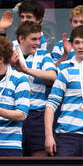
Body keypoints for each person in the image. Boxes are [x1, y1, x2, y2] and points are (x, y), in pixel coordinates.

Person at [11, 21, 57, 156]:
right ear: (21, 38)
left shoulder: (43, 54)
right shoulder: (10, 52)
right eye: (34, 39)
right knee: (14, 158)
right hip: (13, 113)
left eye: (39, 38)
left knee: (39, 157)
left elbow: (53, 76)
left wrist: (25, 70)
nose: (38, 42)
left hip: (37, 114)